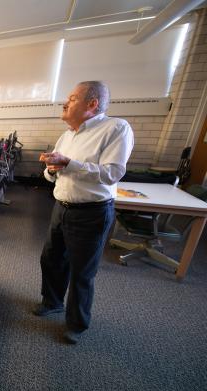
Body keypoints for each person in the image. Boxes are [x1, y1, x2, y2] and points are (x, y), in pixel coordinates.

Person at [35, 81, 134, 344]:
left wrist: (69, 163)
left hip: (91, 212)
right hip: (61, 207)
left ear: (92, 104)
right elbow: (52, 174)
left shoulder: (116, 128)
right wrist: (52, 169)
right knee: (51, 259)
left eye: (72, 98)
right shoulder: (67, 134)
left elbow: (112, 173)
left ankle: (76, 324)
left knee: (82, 272)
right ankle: (52, 301)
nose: (65, 103)